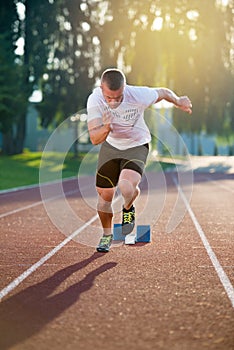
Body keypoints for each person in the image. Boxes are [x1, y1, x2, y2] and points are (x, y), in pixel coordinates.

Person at [87, 68, 192, 252]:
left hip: (137, 144)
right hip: (110, 146)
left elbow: (163, 92)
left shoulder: (137, 95)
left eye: (118, 97)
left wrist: (178, 101)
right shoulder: (94, 99)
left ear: (124, 89)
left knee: (126, 187)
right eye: (109, 97)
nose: (113, 102)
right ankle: (106, 236)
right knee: (105, 197)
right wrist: (106, 127)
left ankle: (128, 207)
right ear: (101, 88)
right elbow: (95, 138)